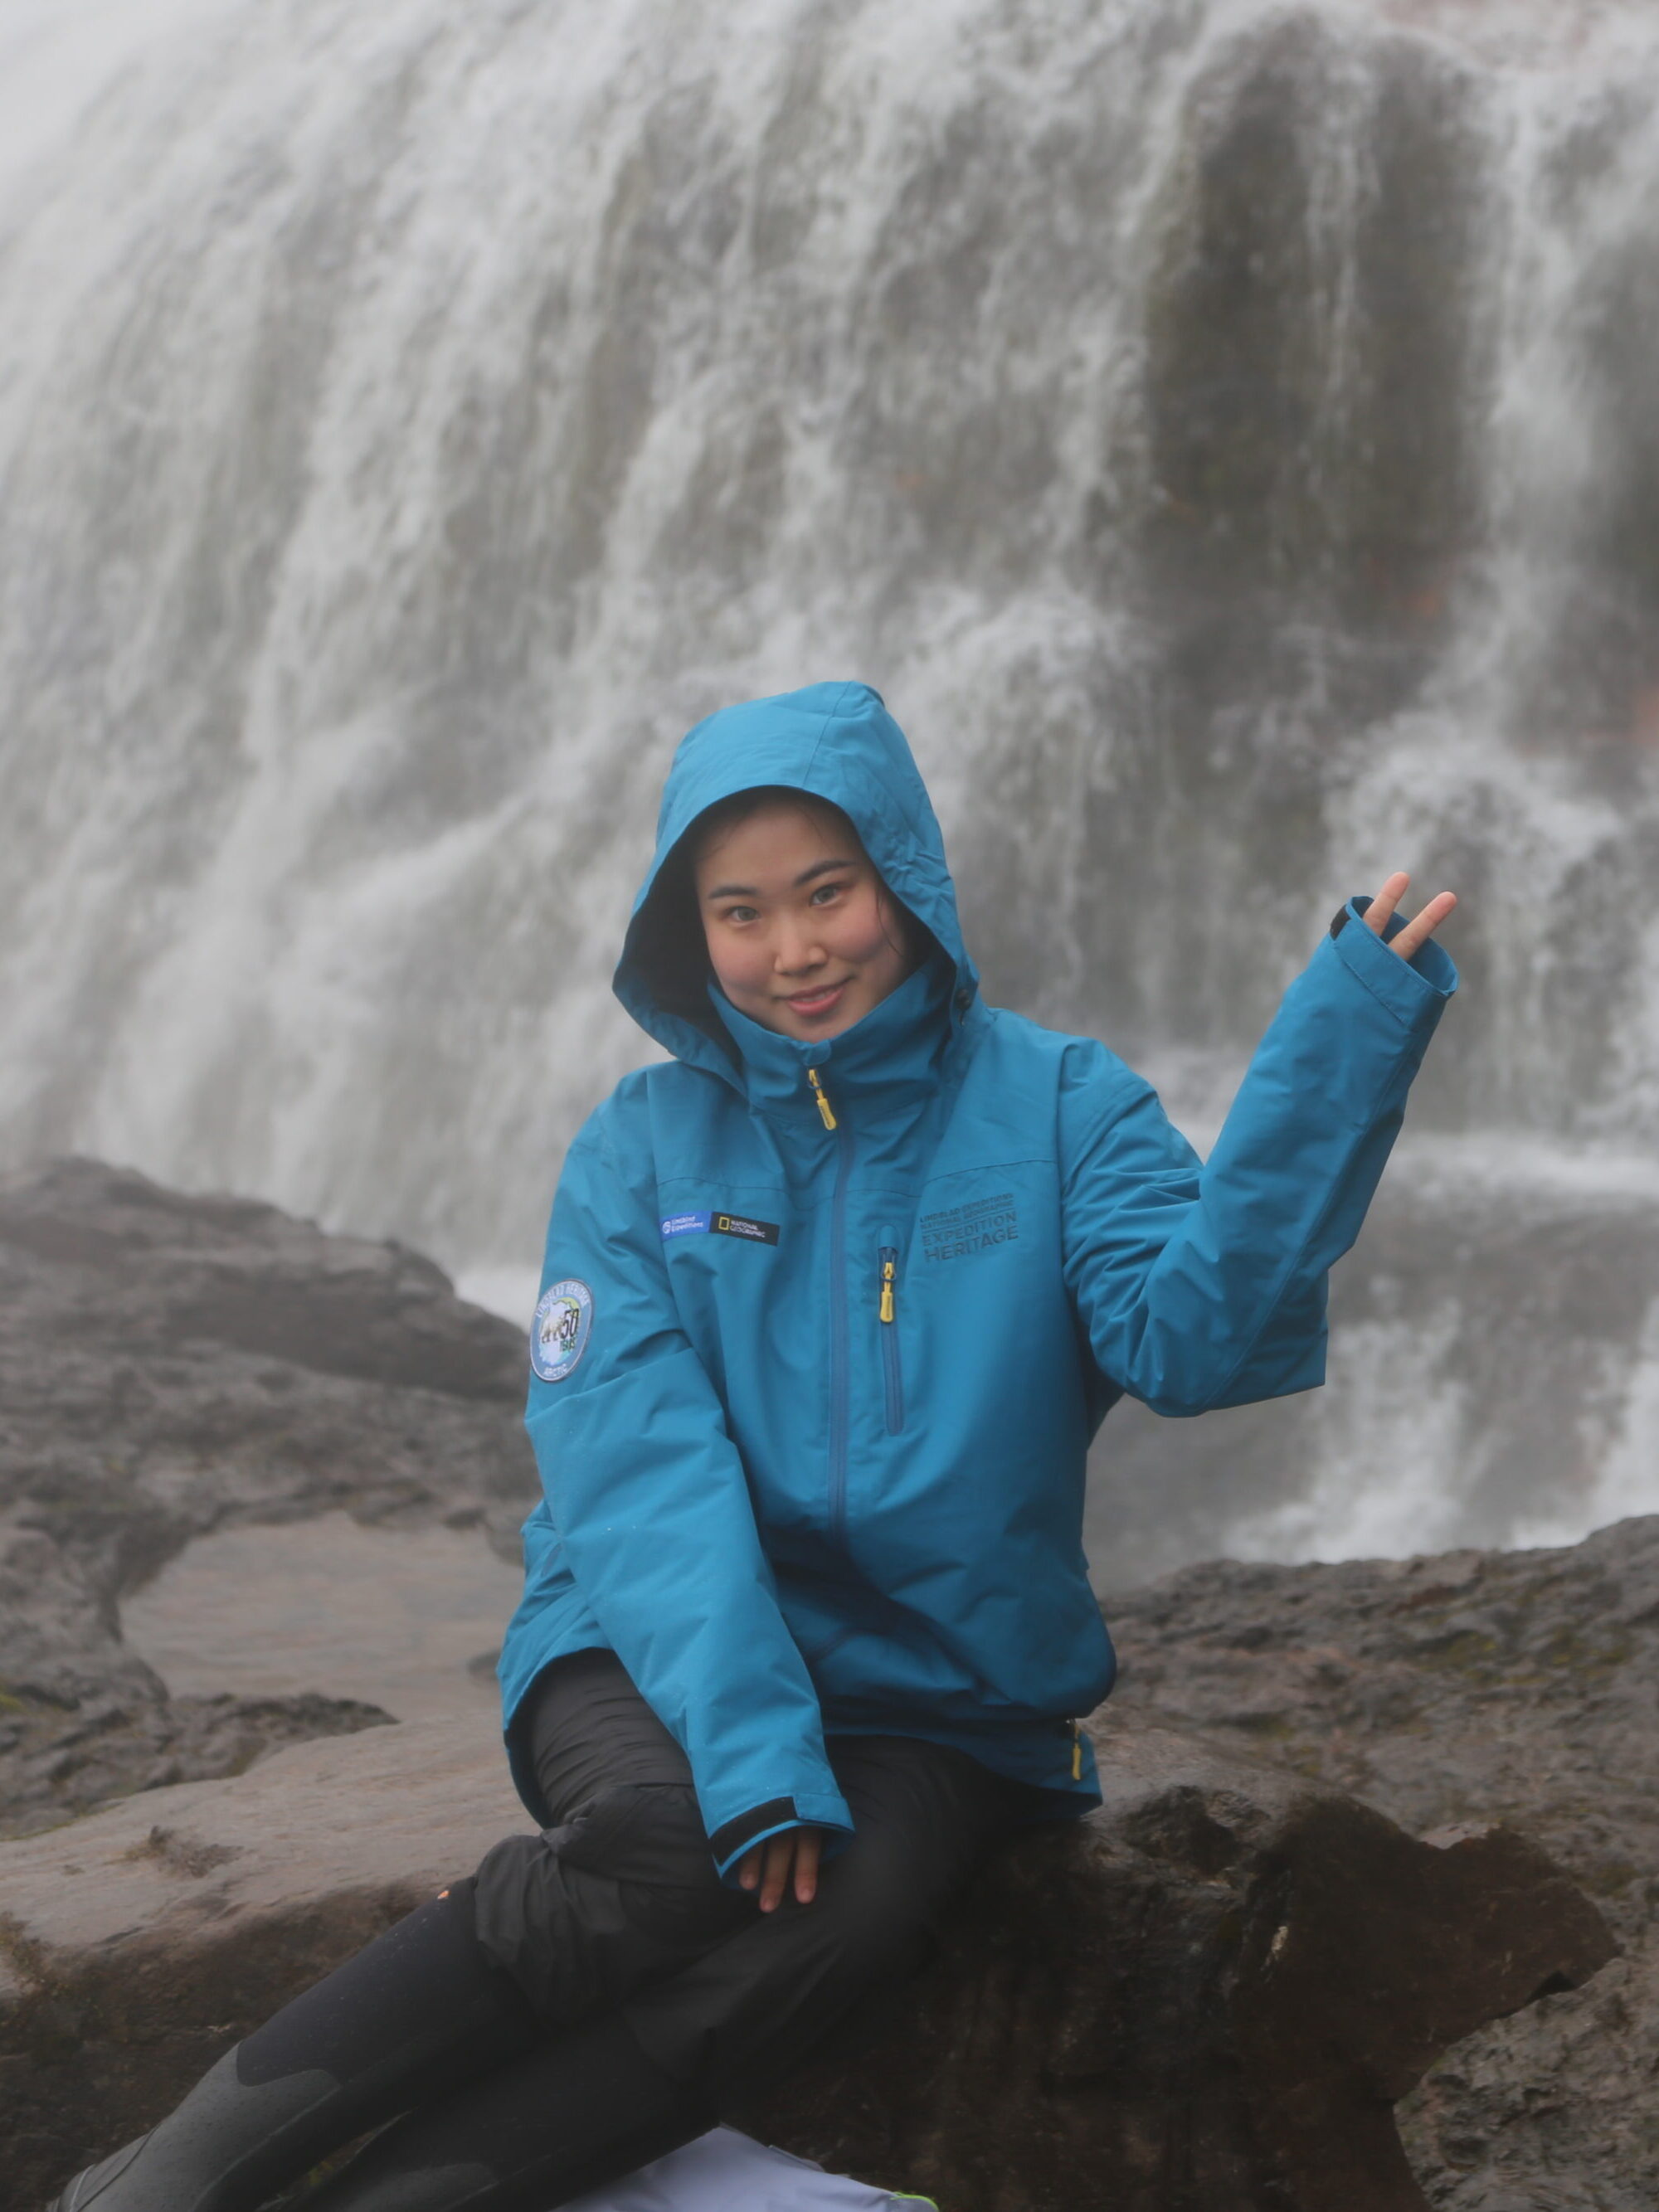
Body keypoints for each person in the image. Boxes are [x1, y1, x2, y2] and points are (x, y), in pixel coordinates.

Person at [51, 680, 1457, 2212]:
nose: (793, 951)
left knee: (842, 1933)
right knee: (669, 1841)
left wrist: (1338, 1056)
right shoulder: (641, 1146)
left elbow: (1190, 1341)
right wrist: (754, 1755)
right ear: (687, 932)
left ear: (904, 880)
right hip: (643, 1643)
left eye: (828, 893)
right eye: (739, 912)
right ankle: (157, 2186)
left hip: (939, 1682)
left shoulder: (1063, 1110)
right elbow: (635, 1468)